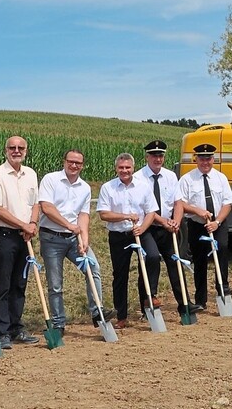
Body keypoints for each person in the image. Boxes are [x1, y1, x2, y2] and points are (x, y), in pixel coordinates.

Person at [38, 149, 116, 335]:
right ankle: (58, 323)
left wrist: (85, 239)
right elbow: (47, 208)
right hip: (51, 237)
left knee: (93, 268)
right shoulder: (50, 179)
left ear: (82, 165)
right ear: (64, 161)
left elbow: (83, 215)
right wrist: (68, 225)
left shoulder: (85, 188)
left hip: (75, 239)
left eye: (78, 163)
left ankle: (97, 312)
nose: (74, 165)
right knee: (55, 283)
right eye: (71, 161)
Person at [133, 140, 202, 317]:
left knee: (175, 262)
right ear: (147, 156)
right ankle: (149, 301)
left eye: (161, 155)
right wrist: (163, 221)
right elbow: (144, 208)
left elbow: (178, 202)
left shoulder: (170, 176)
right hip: (148, 227)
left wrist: (176, 221)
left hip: (168, 229)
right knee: (151, 260)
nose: (158, 159)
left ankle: (184, 304)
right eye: (154, 155)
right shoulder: (138, 178)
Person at [0, 136, 40, 349]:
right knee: (3, 284)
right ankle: (2, 331)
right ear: (5, 150)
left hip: (25, 237)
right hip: (5, 236)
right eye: (12, 147)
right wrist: (22, 225)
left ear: (26, 150)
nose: (16, 151)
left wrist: (32, 224)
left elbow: (35, 203)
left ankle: (17, 326)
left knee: (20, 283)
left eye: (21, 148)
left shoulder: (31, 174)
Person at [98, 153, 161, 329]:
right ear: (116, 168)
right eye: (121, 167)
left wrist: (143, 227)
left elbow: (151, 212)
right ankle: (121, 315)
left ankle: (149, 299)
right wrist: (125, 216)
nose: (124, 171)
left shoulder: (143, 186)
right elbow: (104, 214)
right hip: (118, 235)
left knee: (153, 258)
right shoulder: (108, 188)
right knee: (120, 274)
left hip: (140, 232)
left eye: (127, 167)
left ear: (133, 168)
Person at [173, 143, 232, 311]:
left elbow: (228, 203)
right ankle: (201, 299)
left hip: (217, 224)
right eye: (202, 158)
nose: (205, 162)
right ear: (196, 159)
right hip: (197, 225)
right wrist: (197, 211)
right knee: (199, 260)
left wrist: (217, 222)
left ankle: (223, 287)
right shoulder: (187, 179)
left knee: (221, 249)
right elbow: (181, 203)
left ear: (213, 159)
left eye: (208, 158)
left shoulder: (220, 178)